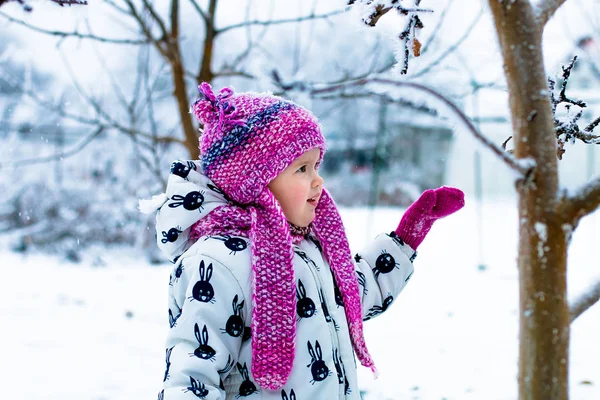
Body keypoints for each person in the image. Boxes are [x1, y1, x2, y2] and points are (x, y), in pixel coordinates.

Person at [141, 82, 464, 400]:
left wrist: (405, 238)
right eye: (302, 168)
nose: (317, 179)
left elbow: (353, 294)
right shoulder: (216, 261)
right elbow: (193, 374)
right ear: (255, 181)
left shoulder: (308, 247)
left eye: (317, 166)